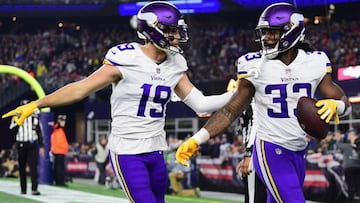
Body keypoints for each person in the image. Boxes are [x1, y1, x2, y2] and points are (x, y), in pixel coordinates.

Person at [2, 2, 232, 202]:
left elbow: (200, 104)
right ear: (152, 30)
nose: (176, 36)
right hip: (127, 150)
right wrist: (37, 104)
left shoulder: (176, 63)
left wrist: (238, 93)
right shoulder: (126, 58)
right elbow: (80, 89)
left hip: (156, 150)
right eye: (170, 31)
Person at [176, 2, 351, 203]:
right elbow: (230, 110)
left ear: (292, 31)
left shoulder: (316, 62)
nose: (266, 38)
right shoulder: (253, 65)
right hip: (270, 149)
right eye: (265, 32)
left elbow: (344, 102)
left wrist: (336, 106)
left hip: (299, 150)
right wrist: (197, 138)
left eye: (273, 33)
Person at [9, 100, 44, 195]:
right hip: (21, 144)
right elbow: (12, 130)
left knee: (33, 167)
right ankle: (23, 189)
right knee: (22, 167)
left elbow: (39, 132)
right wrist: (18, 121)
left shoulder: (34, 118)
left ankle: (34, 188)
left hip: (32, 144)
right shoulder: (16, 117)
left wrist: (41, 146)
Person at [236, 103, 267, 203]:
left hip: (258, 153)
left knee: (253, 198)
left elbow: (256, 124)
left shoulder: (253, 104)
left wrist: (249, 154)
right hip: (261, 152)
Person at [51, 114, 69, 186]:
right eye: (63, 121)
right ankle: (59, 182)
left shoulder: (58, 130)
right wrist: (65, 148)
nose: (64, 123)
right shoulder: (58, 130)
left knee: (59, 167)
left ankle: (59, 181)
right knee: (59, 168)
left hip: (59, 151)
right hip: (59, 151)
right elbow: (59, 142)